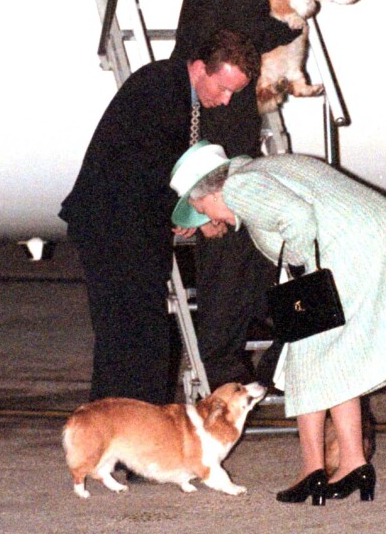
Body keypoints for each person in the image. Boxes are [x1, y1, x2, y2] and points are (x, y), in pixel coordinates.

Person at [171, 143, 386, 504]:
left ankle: (313, 469)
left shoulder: (240, 188)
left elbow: (298, 220)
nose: (207, 217)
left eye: (199, 207)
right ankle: (352, 464)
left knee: (307, 359)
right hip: (373, 241)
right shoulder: (260, 172)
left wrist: (301, 276)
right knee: (331, 360)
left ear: (212, 191)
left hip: (352, 252)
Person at [59, 30, 260, 407]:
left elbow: (157, 172)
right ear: (200, 67)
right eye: (222, 87)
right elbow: (149, 169)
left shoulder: (173, 90)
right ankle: (128, 442)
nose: (226, 99)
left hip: (126, 228)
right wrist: (198, 213)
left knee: (133, 343)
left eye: (235, 92)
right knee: (137, 344)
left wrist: (185, 210)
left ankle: (122, 443)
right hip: (114, 229)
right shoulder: (161, 91)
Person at [170, 0, 313, 389]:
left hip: (203, 89)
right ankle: (228, 350)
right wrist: (291, 26)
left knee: (227, 221)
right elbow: (248, 22)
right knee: (233, 221)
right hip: (225, 103)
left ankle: (231, 337)